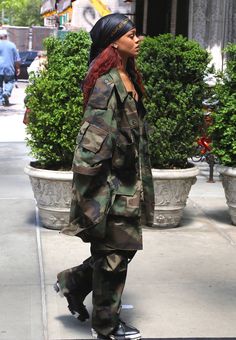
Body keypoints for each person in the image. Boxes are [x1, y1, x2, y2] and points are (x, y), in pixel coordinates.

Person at [54, 13, 154, 340]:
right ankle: (106, 328)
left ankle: (73, 281)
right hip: (111, 185)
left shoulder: (128, 75)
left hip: (130, 180)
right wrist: (90, 195)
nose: (138, 39)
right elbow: (91, 144)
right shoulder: (106, 83)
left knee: (118, 250)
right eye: (132, 34)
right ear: (114, 40)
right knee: (114, 255)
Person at [0, 29, 21, 106]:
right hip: (9, 68)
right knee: (10, 81)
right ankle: (7, 92)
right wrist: (18, 68)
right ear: (6, 36)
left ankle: (1, 101)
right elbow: (17, 59)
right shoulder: (12, 45)